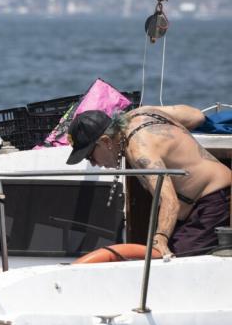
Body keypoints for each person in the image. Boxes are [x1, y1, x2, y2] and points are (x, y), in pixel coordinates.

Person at [67, 105, 232, 257]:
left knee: (173, 262)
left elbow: (169, 201)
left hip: (216, 200)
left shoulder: (140, 151)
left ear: (105, 141)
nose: (93, 163)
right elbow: (197, 116)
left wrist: (160, 239)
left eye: (89, 155)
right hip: (206, 201)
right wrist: (170, 140)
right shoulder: (140, 113)